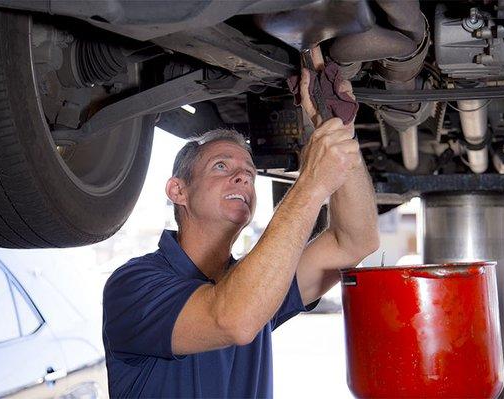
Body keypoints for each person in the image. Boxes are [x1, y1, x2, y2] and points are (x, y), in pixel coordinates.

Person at [102, 53, 379, 398]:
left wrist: (337, 131)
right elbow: (233, 318)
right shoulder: (133, 285)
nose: (242, 177)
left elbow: (354, 241)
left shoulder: (258, 281)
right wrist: (311, 183)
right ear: (179, 190)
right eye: (221, 166)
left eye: (249, 173)